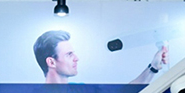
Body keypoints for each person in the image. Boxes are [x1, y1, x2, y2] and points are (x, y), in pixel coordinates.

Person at [33, 30, 168, 84]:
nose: (76, 58)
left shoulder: (81, 92)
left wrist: (153, 68)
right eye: (69, 54)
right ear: (51, 62)